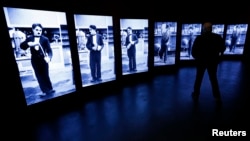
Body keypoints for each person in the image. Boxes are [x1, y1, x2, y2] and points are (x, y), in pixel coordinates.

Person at [191, 22, 226, 102]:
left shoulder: (199, 38)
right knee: (213, 79)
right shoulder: (218, 37)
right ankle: (217, 96)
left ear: (204, 29)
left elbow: (193, 52)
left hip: (201, 61)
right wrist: (218, 56)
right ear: (211, 28)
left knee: (198, 78)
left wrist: (197, 58)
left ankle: (196, 94)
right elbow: (223, 48)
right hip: (213, 62)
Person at [20, 23, 55, 96]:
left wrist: (49, 57)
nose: (38, 31)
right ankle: (44, 91)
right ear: (33, 30)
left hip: (43, 59)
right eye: (36, 30)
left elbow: (49, 50)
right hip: (35, 60)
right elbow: (22, 46)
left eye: (40, 30)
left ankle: (50, 88)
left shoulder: (45, 39)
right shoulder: (29, 38)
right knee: (39, 76)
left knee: (46, 75)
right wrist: (28, 44)